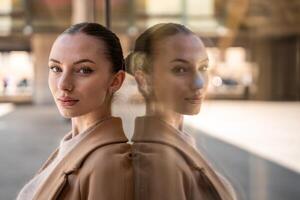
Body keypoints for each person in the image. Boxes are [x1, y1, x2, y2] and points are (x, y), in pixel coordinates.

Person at [17, 22, 133, 200]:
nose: (63, 84)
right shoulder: (72, 145)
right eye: (56, 68)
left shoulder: (108, 165)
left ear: (115, 81)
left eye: (83, 70)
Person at [126, 23, 235, 200]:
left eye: (203, 68)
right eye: (180, 69)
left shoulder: (174, 148)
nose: (199, 83)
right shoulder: (160, 164)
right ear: (144, 79)